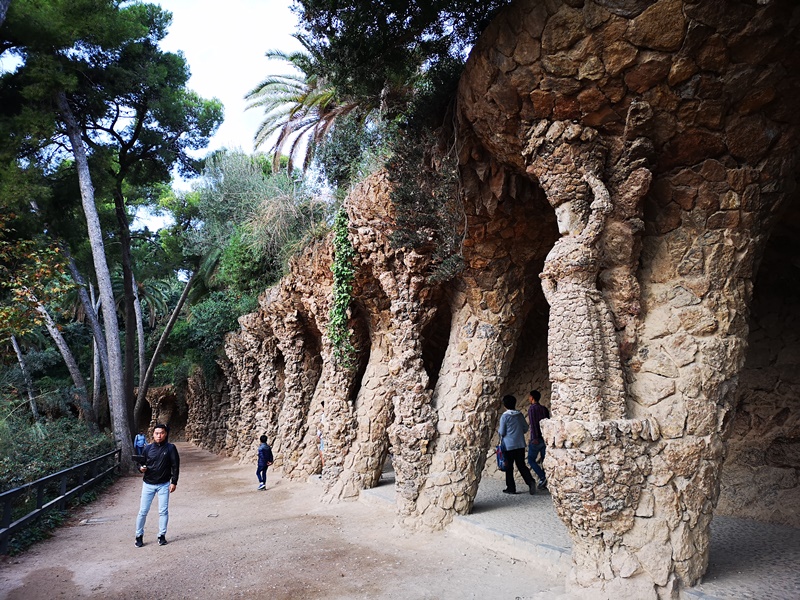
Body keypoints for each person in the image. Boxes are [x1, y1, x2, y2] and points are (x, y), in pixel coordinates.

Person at [539, 172, 626, 422]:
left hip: (587, 304)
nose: (559, 218)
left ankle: (597, 411)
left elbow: (602, 207)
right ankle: (568, 411)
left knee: (593, 358)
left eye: (563, 213)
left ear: (577, 213)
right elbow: (547, 278)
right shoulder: (556, 250)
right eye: (556, 214)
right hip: (562, 311)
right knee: (563, 363)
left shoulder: (586, 240)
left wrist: (592, 178)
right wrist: (555, 302)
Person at [135, 423, 179, 547]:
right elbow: (141, 463)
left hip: (164, 484)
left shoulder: (171, 448)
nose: (159, 436)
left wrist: (174, 482)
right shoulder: (147, 448)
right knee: (143, 511)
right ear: (153, 434)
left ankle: (161, 535)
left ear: (166, 434)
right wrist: (141, 468)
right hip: (148, 484)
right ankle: (138, 536)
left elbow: (175, 466)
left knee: (163, 511)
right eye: (157, 433)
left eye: (162, 433)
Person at [498, 395, 536, 495]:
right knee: (521, 465)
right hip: (520, 444)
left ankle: (511, 488)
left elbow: (502, 432)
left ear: (505, 405)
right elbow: (525, 428)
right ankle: (530, 481)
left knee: (509, 467)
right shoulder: (519, 415)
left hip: (508, 446)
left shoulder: (504, 416)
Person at [526, 390, 549, 490]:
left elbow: (533, 424)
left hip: (536, 439)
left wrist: (534, 437)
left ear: (532, 397)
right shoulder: (544, 409)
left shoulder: (532, 409)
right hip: (544, 438)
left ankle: (542, 477)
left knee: (531, 460)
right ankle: (547, 479)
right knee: (545, 460)